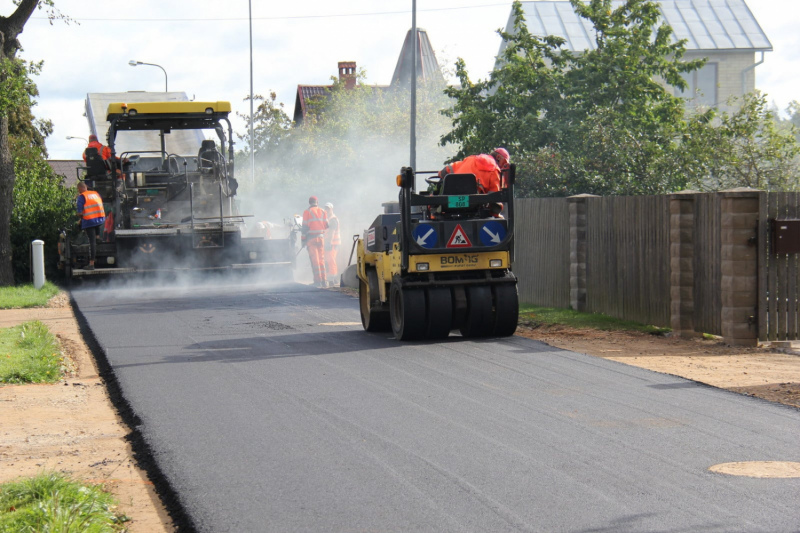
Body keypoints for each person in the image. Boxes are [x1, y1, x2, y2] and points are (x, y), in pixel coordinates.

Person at [76, 181, 106, 270]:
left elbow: (80, 212)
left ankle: (91, 264)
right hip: (100, 219)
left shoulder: (82, 197)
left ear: (80, 188)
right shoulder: (95, 193)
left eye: (78, 189)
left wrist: (79, 218)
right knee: (95, 235)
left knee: (91, 242)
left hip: (89, 221)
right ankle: (98, 237)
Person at [302, 196, 329, 287]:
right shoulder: (323, 211)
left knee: (315, 261)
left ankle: (317, 281)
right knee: (321, 260)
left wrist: (303, 240)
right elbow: (327, 225)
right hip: (321, 238)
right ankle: (324, 281)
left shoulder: (307, 212)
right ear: (317, 202)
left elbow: (304, 228)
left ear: (309, 203)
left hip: (311, 239)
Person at [323, 202, 341, 287]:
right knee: (329, 260)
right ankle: (333, 279)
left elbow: (332, 232)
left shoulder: (333, 219)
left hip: (333, 243)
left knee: (331, 260)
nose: (326, 210)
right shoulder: (328, 219)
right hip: (330, 243)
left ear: (331, 209)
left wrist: (328, 243)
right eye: (326, 208)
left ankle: (332, 279)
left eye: (328, 208)